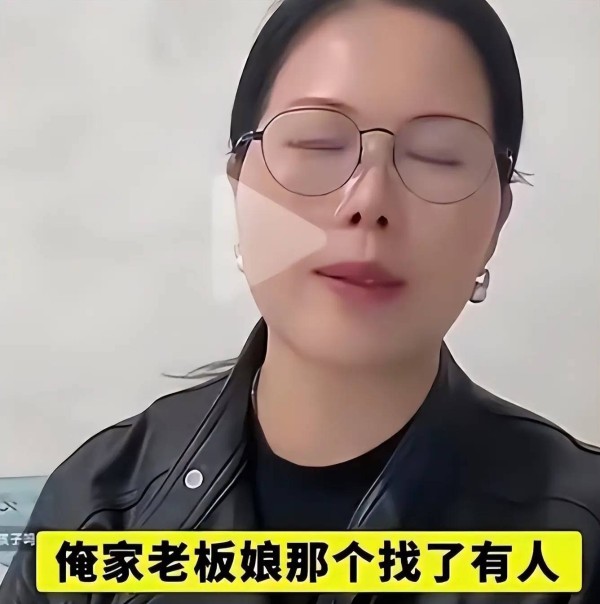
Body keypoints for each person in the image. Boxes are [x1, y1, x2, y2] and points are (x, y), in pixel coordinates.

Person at [1, 0, 599, 602]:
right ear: (239, 188)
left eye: (437, 155)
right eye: (318, 143)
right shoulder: (102, 507)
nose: (370, 200)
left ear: (496, 221)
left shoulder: (581, 537)